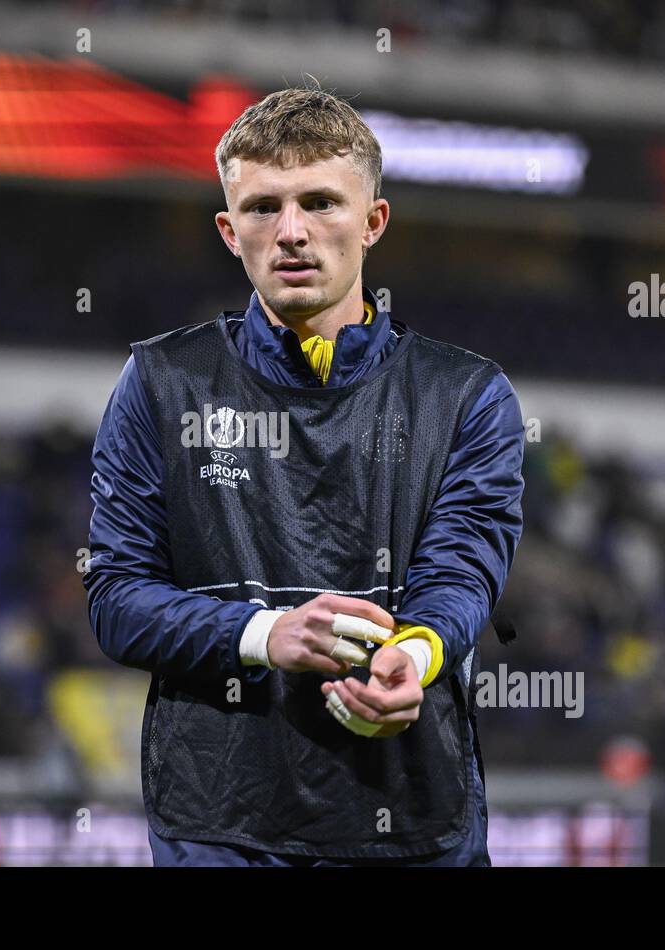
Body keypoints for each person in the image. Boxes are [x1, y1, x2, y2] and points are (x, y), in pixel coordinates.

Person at [84, 81, 524, 866]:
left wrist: (415, 654)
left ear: (373, 221)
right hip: (220, 827)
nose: (291, 232)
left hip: (413, 816)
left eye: (320, 202)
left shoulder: (465, 395)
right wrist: (265, 634)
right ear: (229, 231)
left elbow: (462, 572)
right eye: (263, 207)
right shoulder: (160, 382)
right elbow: (117, 598)